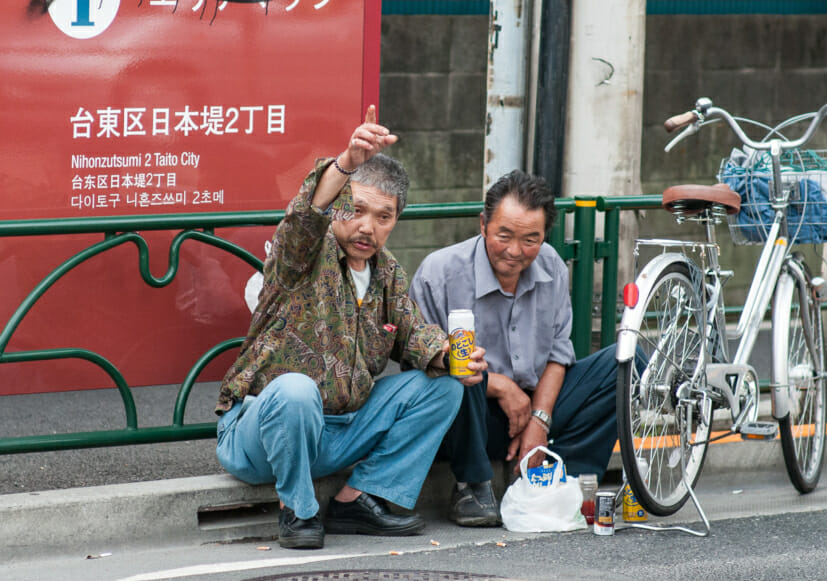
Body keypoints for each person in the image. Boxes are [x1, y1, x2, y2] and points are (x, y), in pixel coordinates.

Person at [215, 106, 487, 549]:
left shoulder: (387, 272)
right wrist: (346, 164)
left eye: (383, 217)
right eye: (357, 210)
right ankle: (297, 511)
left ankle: (356, 500)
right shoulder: (303, 255)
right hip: (261, 437)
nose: (368, 227)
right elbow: (305, 216)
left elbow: (413, 332)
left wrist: (449, 356)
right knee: (295, 390)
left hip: (339, 431)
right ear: (340, 206)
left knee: (445, 387)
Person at [410, 170, 619, 527]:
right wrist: (501, 386)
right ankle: (471, 486)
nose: (515, 251)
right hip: (467, 418)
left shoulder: (551, 264)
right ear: (483, 224)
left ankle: (564, 478)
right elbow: (419, 363)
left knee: (622, 363)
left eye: (530, 240)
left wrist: (539, 419)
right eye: (504, 235)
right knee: (463, 367)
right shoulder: (439, 272)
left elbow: (558, 354)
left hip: (536, 405)